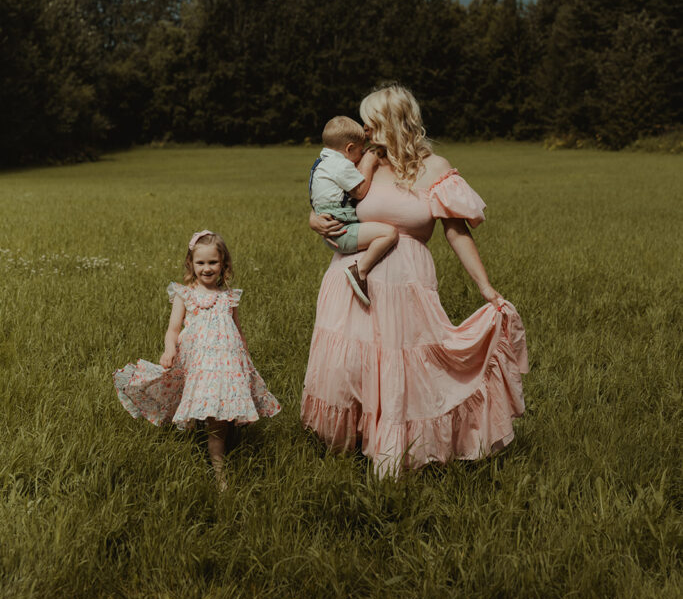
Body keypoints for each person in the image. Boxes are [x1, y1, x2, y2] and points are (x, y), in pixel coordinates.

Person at [301, 84, 528, 478]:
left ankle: (392, 454)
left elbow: (456, 232)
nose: (364, 134)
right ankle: (348, 450)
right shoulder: (361, 164)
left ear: (391, 122)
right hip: (351, 276)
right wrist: (311, 219)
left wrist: (485, 287)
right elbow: (327, 203)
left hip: (406, 284)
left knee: (399, 367)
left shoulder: (435, 168)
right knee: (351, 368)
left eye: (370, 124)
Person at [114, 230, 280, 488]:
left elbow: (238, 331)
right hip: (198, 364)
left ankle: (219, 468)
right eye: (200, 263)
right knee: (202, 405)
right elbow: (173, 329)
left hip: (226, 366)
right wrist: (169, 349)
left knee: (219, 419)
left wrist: (244, 360)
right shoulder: (185, 294)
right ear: (190, 263)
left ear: (223, 264)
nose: (206, 268)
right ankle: (201, 436)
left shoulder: (229, 297)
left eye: (213, 262)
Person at [309, 115, 398, 305]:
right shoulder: (340, 165)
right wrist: (368, 161)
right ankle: (361, 270)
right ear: (349, 148)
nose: (364, 152)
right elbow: (359, 191)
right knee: (389, 234)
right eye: (360, 150)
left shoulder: (321, 163)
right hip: (343, 229)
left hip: (335, 225)